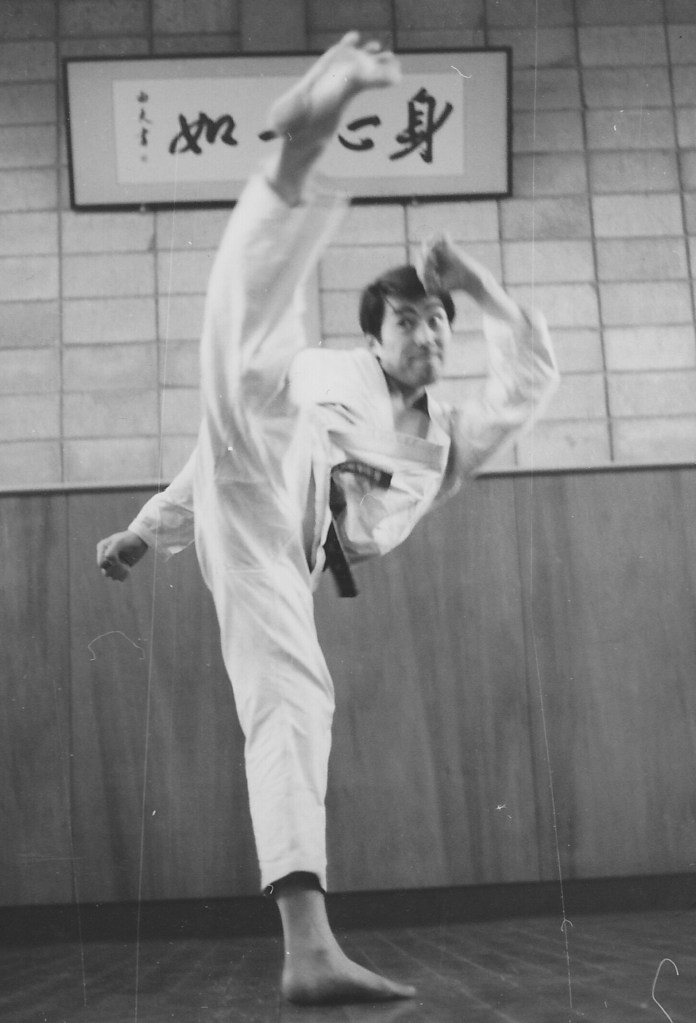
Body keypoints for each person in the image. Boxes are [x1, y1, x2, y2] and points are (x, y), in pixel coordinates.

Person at [96, 32, 559, 1005]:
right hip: (272, 470)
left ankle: (308, 947)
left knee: (296, 698)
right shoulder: (336, 372)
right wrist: (150, 526)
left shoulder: (450, 438)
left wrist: (478, 286)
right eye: (407, 320)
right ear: (376, 337)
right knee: (254, 370)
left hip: (293, 546)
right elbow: (227, 443)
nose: (426, 334)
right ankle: (296, 154)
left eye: (439, 322)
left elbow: (532, 380)